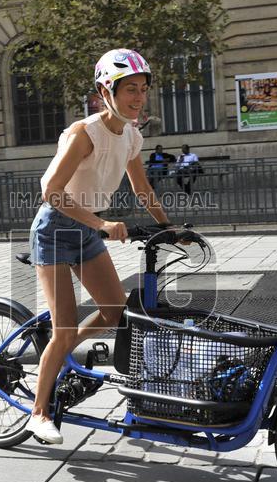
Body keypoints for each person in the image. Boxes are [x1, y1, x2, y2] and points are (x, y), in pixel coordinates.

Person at [26, 48, 171, 444]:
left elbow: (141, 188)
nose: (138, 97)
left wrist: (170, 228)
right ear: (106, 91)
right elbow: (50, 190)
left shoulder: (132, 136)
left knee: (113, 312)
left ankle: (65, 351)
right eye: (130, 89)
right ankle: (39, 413)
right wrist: (102, 223)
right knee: (65, 326)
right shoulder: (84, 134)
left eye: (142, 89)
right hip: (56, 230)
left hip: (87, 231)